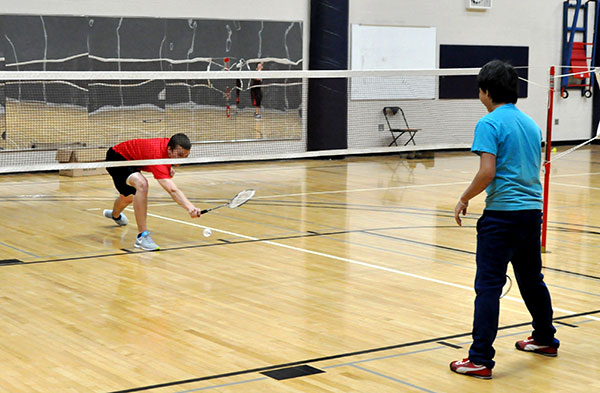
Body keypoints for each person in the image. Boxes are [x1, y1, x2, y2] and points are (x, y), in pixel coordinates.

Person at [449, 60, 559, 379]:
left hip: (501, 218)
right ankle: (544, 338)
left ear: (485, 91)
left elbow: (487, 172)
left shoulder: (489, 123)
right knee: (531, 279)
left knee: (488, 287)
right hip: (531, 214)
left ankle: (480, 358)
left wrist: (464, 197)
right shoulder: (531, 124)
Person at [103, 133, 201, 251]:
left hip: (133, 162)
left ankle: (115, 215)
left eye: (185, 156)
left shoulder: (168, 146)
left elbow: (160, 157)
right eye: (180, 155)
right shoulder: (157, 155)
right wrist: (190, 207)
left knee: (127, 198)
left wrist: (168, 167)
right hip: (117, 159)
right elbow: (172, 190)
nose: (182, 159)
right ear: (169, 149)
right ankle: (142, 236)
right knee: (142, 184)